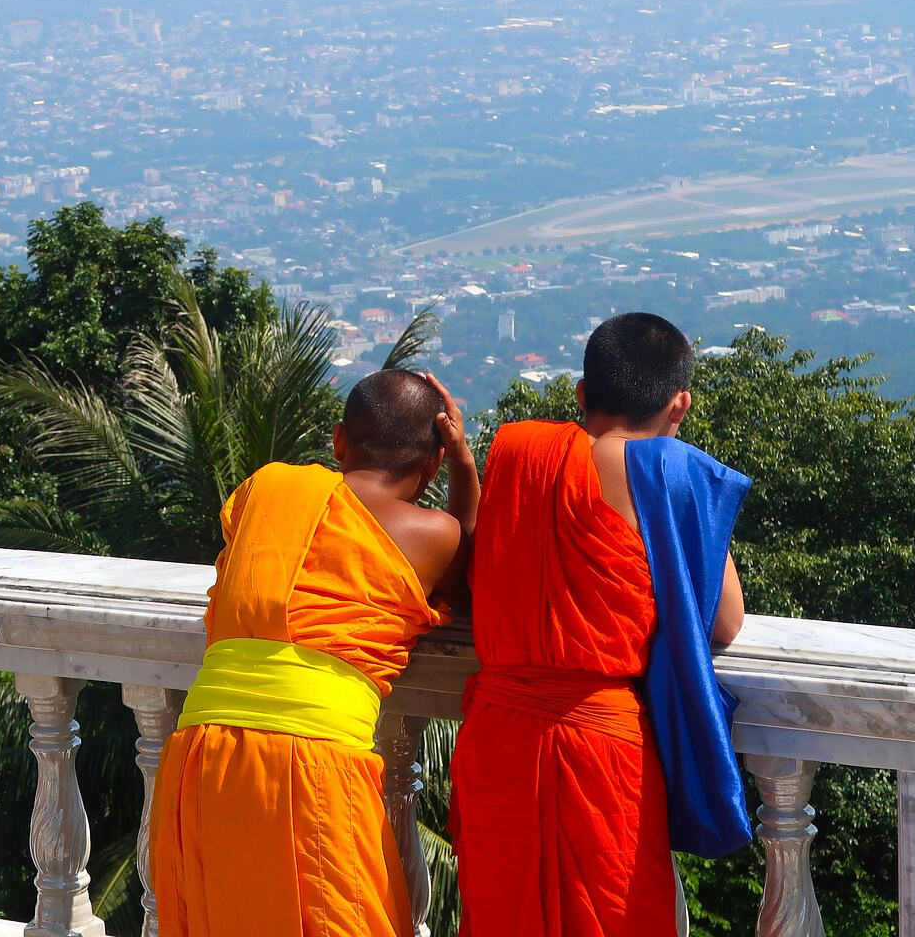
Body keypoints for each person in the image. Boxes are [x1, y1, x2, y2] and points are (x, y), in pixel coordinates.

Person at [151, 368, 479, 937]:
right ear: (431, 465)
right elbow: (470, 582)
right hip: (316, 764)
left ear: (339, 442)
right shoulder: (434, 534)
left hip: (201, 754)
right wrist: (466, 467)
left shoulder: (267, 489)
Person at [449, 311, 747, 937]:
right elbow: (724, 622)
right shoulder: (670, 471)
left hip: (496, 741)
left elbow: (480, 575)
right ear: (680, 404)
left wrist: (464, 475)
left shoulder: (519, 451)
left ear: (582, 394)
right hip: (600, 745)